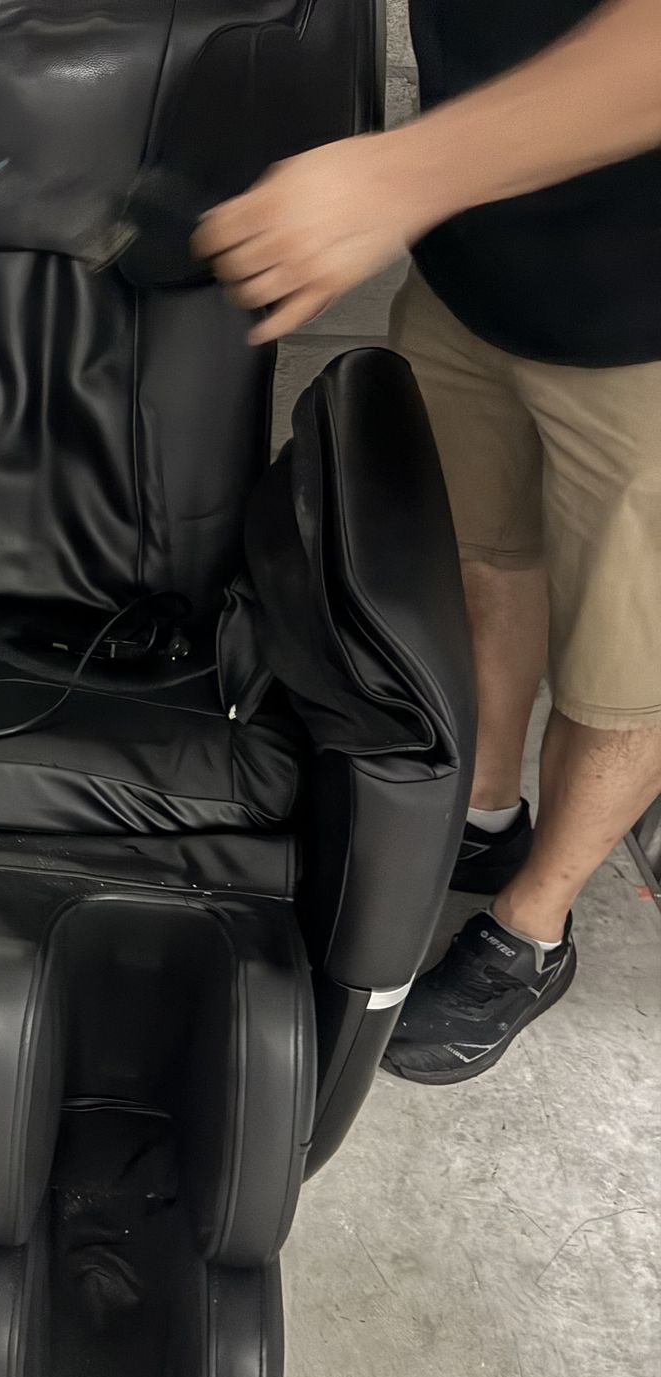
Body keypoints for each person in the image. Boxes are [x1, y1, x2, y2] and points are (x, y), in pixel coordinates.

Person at [193, 0, 661, 1083]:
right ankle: (484, 814)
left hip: (646, 324)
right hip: (480, 265)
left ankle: (532, 931)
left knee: (624, 677)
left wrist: (399, 175)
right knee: (477, 560)